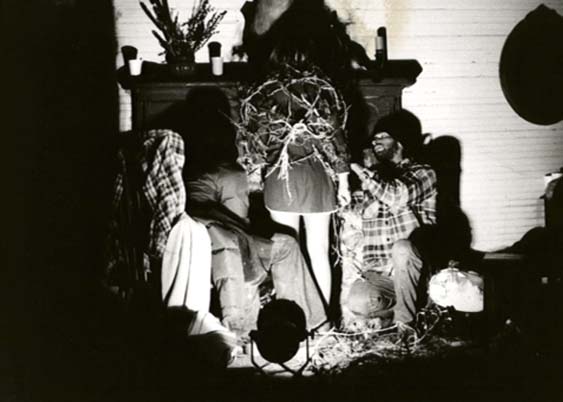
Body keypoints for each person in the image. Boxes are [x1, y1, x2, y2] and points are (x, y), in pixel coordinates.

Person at [237, 0, 356, 309]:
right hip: (317, 180)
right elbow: (336, 140)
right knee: (318, 251)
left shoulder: (264, 90)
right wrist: (344, 183)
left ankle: (295, 321)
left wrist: (256, 173)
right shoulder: (323, 88)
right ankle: (324, 320)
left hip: (282, 179)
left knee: (288, 252)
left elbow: (256, 144)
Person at [180, 91, 327, 336]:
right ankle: (311, 325)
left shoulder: (186, 168)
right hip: (220, 249)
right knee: (277, 247)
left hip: (189, 247)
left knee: (267, 247)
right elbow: (240, 224)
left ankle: (284, 327)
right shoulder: (230, 173)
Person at [349, 110, 439, 326]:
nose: (375, 142)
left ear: (400, 141)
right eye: (374, 138)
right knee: (359, 302)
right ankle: (400, 310)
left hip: (413, 270)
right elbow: (359, 212)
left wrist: (356, 169)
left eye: (382, 136)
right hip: (382, 273)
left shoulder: (424, 173)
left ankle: (405, 327)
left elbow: (396, 196)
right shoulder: (374, 180)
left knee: (402, 248)